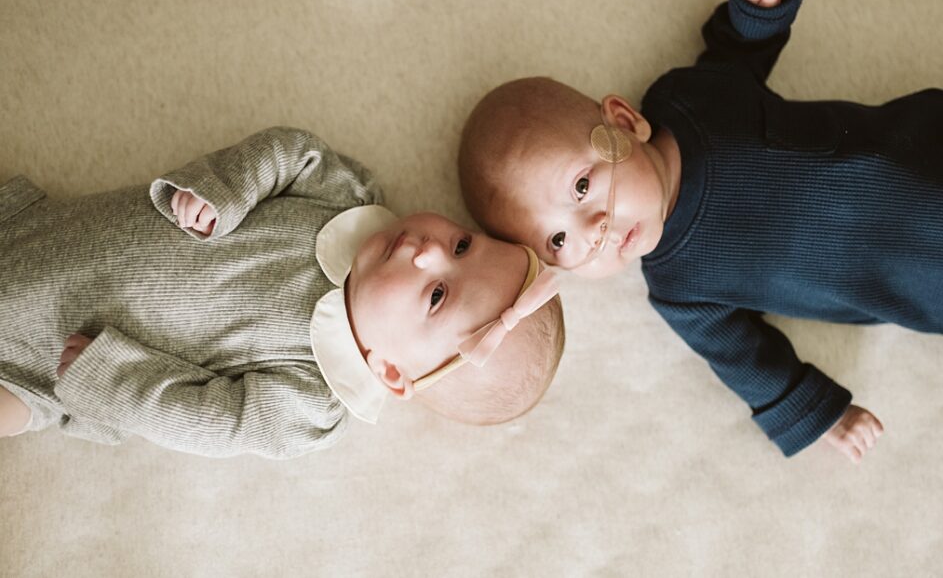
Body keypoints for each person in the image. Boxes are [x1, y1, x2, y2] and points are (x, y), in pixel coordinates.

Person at [458, 0, 943, 463]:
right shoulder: (681, 288)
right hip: (936, 280)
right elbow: (746, 359)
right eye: (558, 242)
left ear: (625, 122)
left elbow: (737, 57)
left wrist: (758, 8)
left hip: (938, 152)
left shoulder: (686, 99)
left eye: (581, 187)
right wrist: (822, 415)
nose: (594, 230)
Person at [0, 127, 565, 458]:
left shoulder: (310, 402)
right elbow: (290, 152)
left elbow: (209, 421)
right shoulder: (347, 196)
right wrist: (226, 191)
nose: (429, 251)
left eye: (436, 295)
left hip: (49, 365)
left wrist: (111, 379)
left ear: (391, 371)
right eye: (463, 244)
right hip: (45, 233)